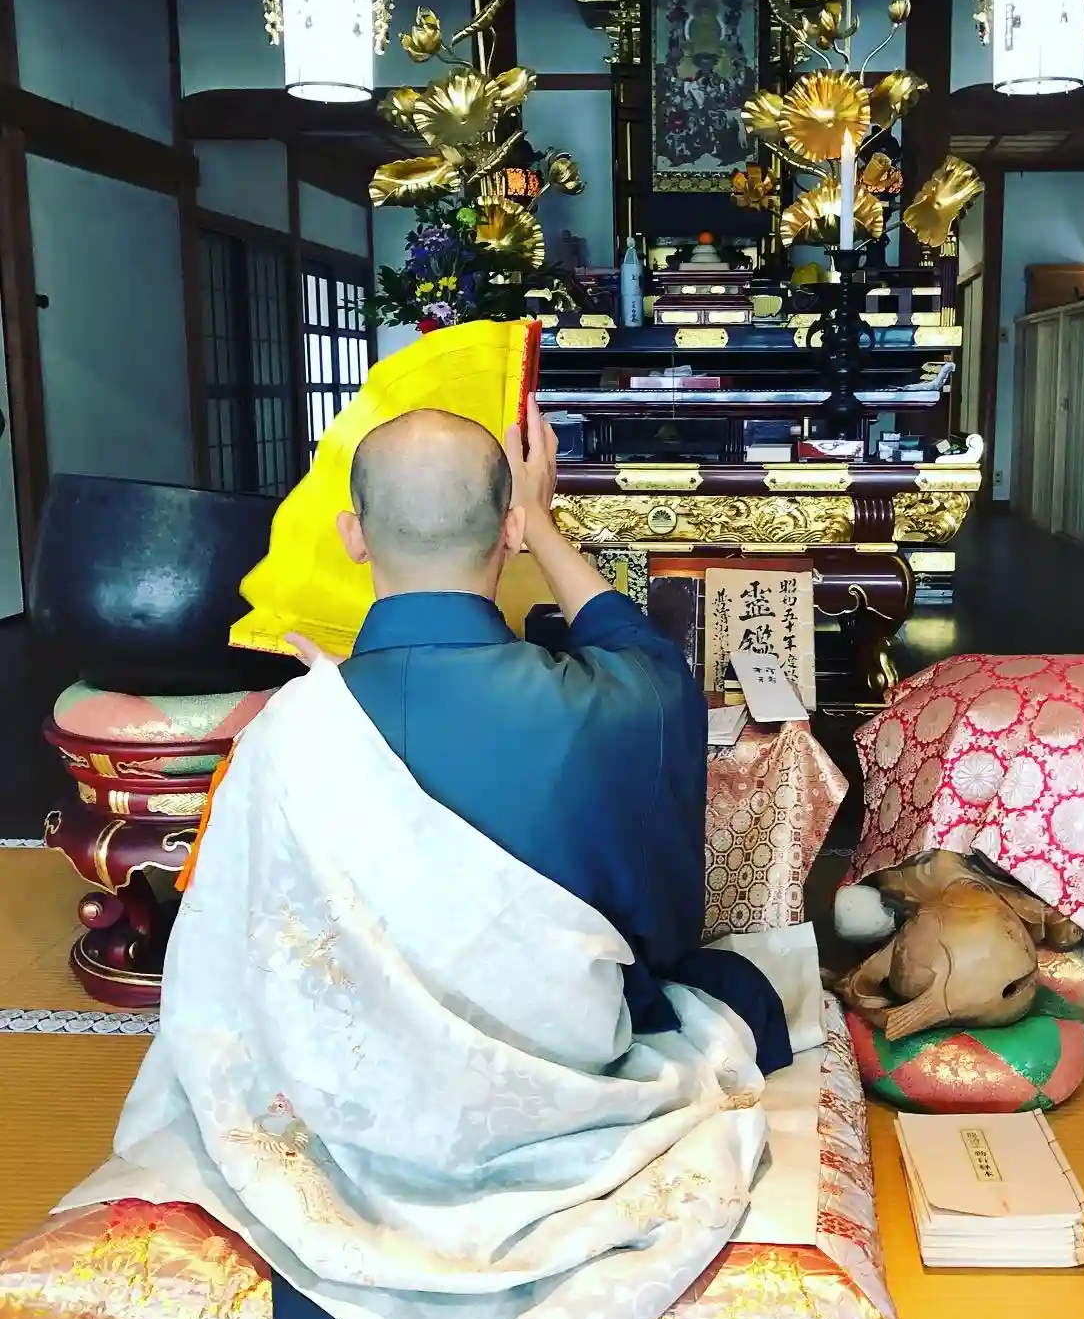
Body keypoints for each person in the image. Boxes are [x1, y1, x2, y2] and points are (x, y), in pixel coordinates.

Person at [287, 396, 791, 1070]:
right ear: (510, 530)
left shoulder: (302, 723)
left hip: (367, 1053)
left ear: (353, 536)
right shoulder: (618, 702)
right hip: (567, 1044)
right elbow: (651, 660)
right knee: (737, 990)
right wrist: (545, 528)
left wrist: (339, 705)